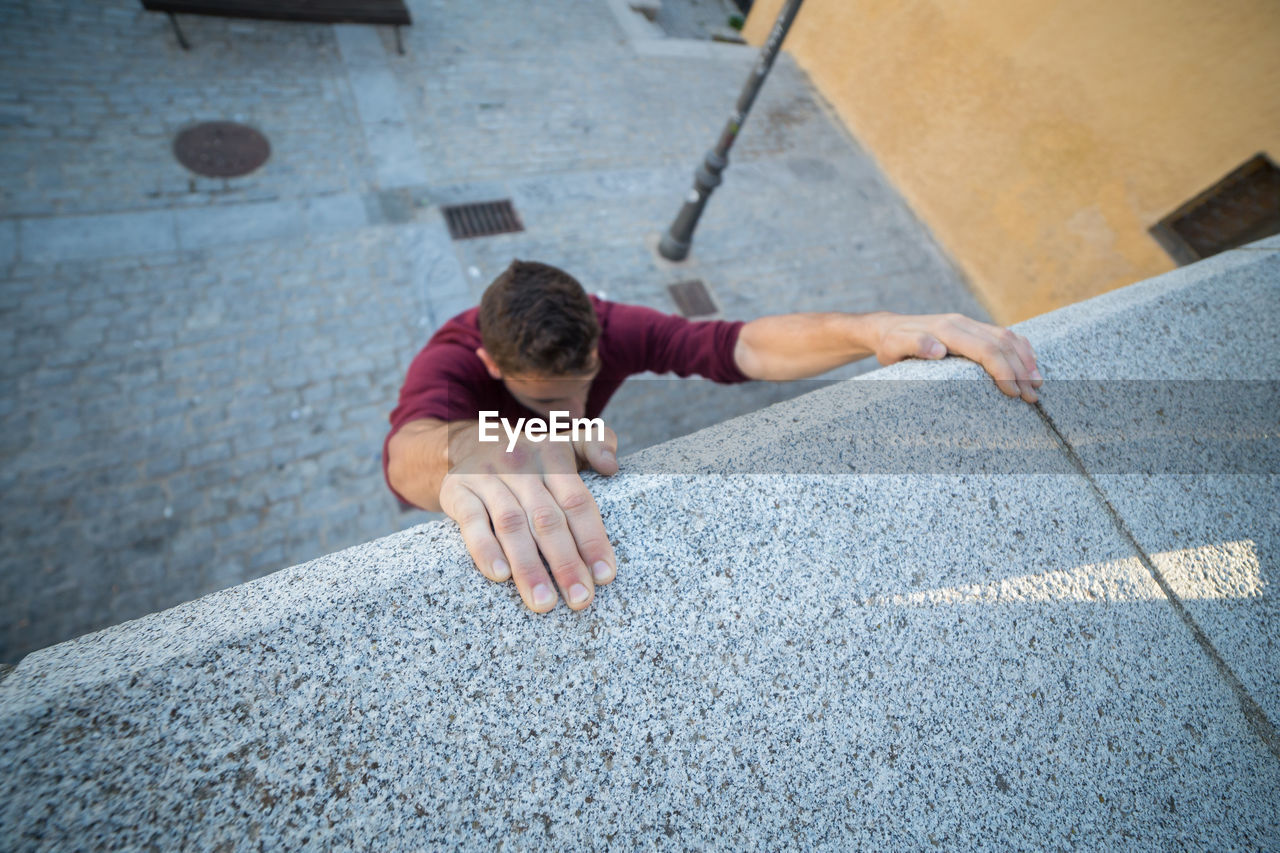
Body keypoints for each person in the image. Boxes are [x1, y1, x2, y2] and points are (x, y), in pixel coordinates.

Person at [384, 260, 1042, 614]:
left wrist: (875, 329)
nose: (578, 404)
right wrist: (468, 449)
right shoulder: (450, 361)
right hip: (486, 500)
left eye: (587, 381)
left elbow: (739, 346)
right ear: (493, 366)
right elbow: (405, 456)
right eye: (550, 399)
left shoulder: (613, 326)